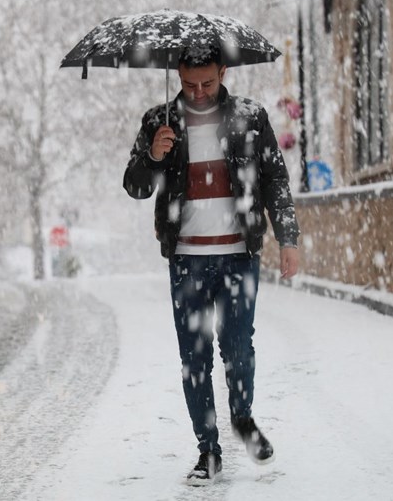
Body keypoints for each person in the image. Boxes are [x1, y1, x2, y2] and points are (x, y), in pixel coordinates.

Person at [123, 46, 300, 486]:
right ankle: (209, 450)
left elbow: (275, 178)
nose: (199, 93)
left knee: (239, 350)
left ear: (223, 72)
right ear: (177, 76)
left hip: (240, 255)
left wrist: (289, 238)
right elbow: (135, 186)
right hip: (186, 259)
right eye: (188, 85)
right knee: (194, 358)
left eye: (207, 83)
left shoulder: (250, 116)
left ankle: (242, 417)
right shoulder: (158, 122)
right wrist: (153, 157)